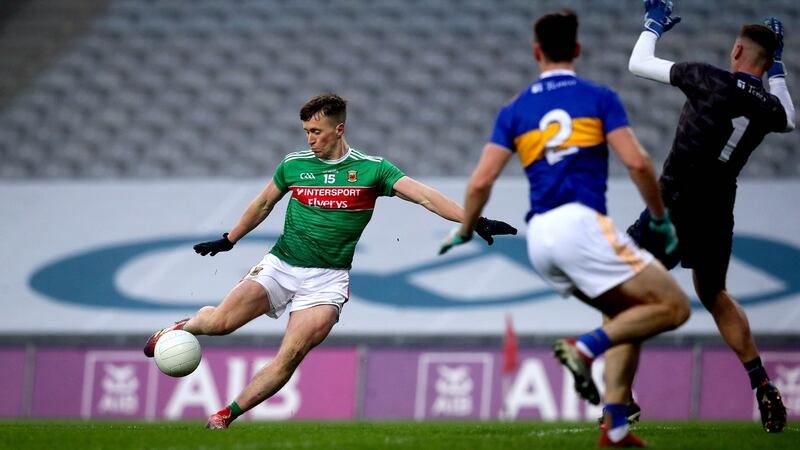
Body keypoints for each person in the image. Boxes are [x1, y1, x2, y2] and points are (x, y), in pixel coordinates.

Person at [142, 93, 518, 429]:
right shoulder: (294, 165)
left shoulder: (373, 170)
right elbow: (263, 203)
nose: (310, 139)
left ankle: (225, 415)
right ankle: (179, 328)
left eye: (317, 131)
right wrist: (230, 239)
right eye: (306, 130)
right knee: (221, 323)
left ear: (339, 129)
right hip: (281, 265)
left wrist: (475, 219)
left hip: (327, 282)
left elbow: (424, 196)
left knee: (290, 355)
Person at [439, 10, 690, 448]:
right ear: (577, 49)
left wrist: (464, 229)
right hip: (581, 225)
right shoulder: (599, 98)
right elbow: (638, 162)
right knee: (674, 306)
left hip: (541, 240)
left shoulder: (515, 109)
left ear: (536, 51)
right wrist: (661, 218)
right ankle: (584, 348)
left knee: (627, 314)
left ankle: (614, 427)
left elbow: (481, 181)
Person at [625, 0, 795, 432]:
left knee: (620, 290)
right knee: (715, 294)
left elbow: (638, 63)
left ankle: (620, 397)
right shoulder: (769, 109)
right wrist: (777, 68)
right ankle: (760, 381)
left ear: (736, 52)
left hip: (676, 203)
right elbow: (790, 119)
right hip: (719, 211)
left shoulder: (708, 78)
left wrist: (654, 25)